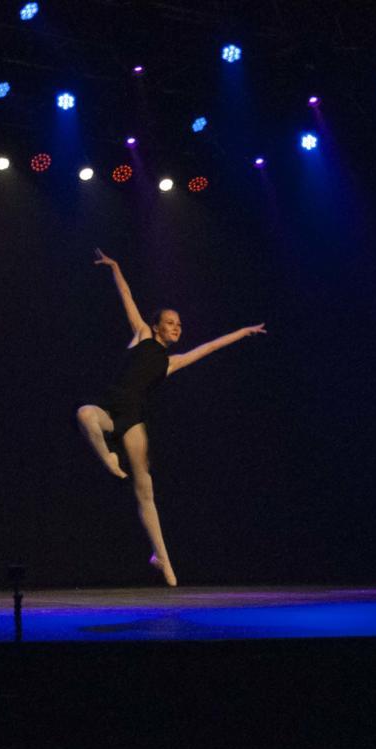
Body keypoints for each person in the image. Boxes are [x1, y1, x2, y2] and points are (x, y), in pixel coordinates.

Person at [76, 248, 266, 587]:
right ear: (156, 325)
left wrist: (243, 332)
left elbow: (210, 347)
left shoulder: (170, 363)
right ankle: (108, 458)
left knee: (145, 488)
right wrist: (116, 267)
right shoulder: (142, 334)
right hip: (109, 410)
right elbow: (126, 296)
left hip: (133, 419)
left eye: (179, 324)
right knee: (85, 413)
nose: (176, 327)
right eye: (170, 323)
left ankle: (161, 556)